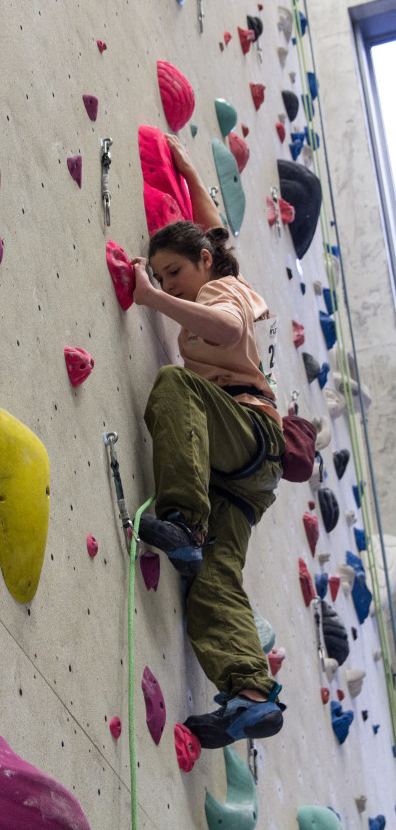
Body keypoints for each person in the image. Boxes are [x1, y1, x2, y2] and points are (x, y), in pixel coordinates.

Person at [131, 133, 286, 749]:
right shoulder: (215, 267)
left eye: (175, 272)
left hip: (249, 433)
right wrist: (191, 171)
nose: (169, 283)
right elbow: (213, 228)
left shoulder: (225, 292)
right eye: (160, 276)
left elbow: (221, 327)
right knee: (214, 579)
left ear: (202, 262)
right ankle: (251, 695)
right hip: (243, 476)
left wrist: (151, 298)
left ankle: (183, 521)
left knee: (177, 387)